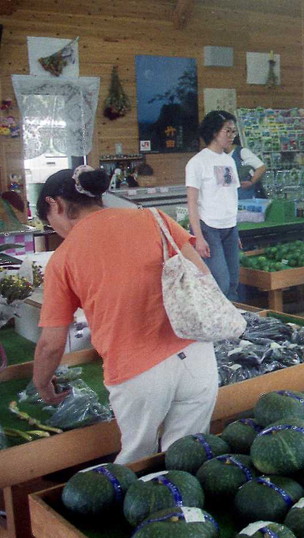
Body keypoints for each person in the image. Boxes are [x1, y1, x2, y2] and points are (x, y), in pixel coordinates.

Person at [32, 166, 218, 464]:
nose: (55, 229)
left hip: (138, 374)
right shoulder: (154, 219)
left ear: (56, 205)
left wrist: (42, 383)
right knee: (187, 459)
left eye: (49, 220)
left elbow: (51, 343)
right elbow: (202, 274)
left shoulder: (63, 259)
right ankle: (183, 509)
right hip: (197, 356)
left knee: (135, 463)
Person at [186, 110, 241, 300]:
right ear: (214, 132)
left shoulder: (229, 161)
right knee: (221, 282)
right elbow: (192, 203)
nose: (231, 136)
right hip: (209, 228)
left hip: (230, 228)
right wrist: (198, 238)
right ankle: (219, 326)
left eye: (234, 132)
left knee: (233, 282)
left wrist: (236, 231)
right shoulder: (197, 162)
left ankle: (235, 325)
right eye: (227, 131)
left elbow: (231, 196)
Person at [230, 135, 267, 200]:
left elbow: (261, 168)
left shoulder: (241, 152)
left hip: (247, 197)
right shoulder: (220, 155)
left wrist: (252, 182)